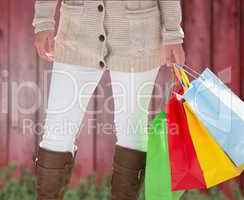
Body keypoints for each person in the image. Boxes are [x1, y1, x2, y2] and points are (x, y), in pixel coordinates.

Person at [32, 0, 185, 199]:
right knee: (57, 131)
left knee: (131, 131)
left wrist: (173, 32)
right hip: (77, 31)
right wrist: (44, 20)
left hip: (138, 34)